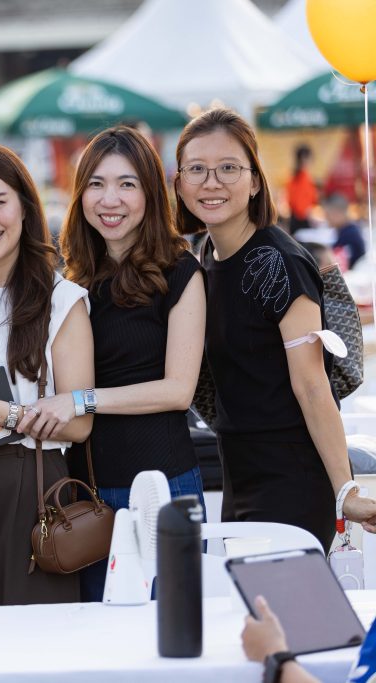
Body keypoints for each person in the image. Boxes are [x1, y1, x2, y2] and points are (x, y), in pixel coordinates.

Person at [175, 108, 376, 551]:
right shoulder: (206, 255)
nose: (212, 182)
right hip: (239, 472)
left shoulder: (280, 262)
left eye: (229, 168)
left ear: (254, 181)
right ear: (180, 182)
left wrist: (345, 491)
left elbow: (313, 386)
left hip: (292, 479)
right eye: (197, 169)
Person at [53, 125, 207, 602]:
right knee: (97, 633)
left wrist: (81, 401)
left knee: (172, 626)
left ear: (150, 192)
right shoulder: (72, 280)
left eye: (126, 184)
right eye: (96, 184)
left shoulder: (180, 271)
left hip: (164, 485)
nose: (110, 199)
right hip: (87, 496)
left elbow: (178, 390)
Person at [0, 143, 94, 606]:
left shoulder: (61, 300)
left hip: (30, 481)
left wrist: (0, 412)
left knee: (29, 634)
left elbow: (80, 424)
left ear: (25, 207)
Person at [325, 193, 367, 270]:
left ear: (337, 213)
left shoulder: (350, 234)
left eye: (328, 214)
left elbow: (340, 262)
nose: (326, 218)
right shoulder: (346, 230)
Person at [286, 144, 317, 235]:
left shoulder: (301, 177)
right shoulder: (300, 178)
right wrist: (308, 215)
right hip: (300, 220)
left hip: (300, 219)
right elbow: (298, 204)